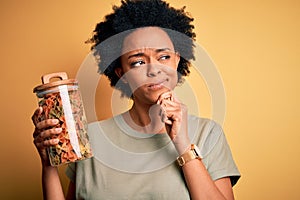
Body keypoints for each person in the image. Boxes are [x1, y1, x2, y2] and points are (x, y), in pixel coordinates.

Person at [32, 0, 240, 199]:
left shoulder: (208, 134)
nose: (154, 69)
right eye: (138, 62)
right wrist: (48, 163)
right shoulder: (90, 138)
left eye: (164, 57)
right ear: (121, 73)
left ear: (177, 60)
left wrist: (182, 144)